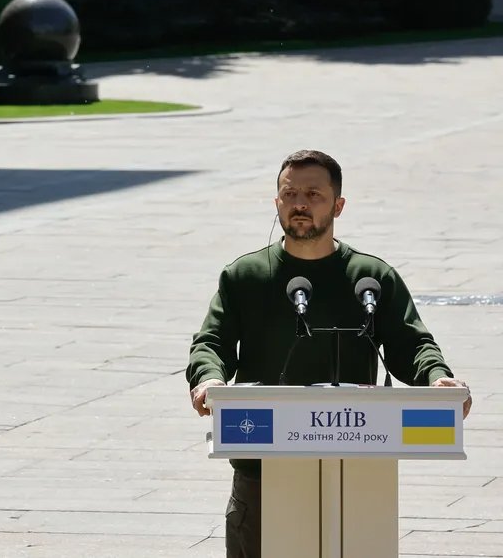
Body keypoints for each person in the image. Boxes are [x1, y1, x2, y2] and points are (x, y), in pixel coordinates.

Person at [186, 149, 471, 558]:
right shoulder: (245, 276)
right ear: (276, 202)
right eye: (290, 194)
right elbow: (211, 342)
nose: (300, 203)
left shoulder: (371, 277)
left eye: (314, 194)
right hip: (263, 472)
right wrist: (209, 379)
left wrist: (437, 377)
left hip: (356, 468)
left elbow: (413, 345)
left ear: (338, 204)